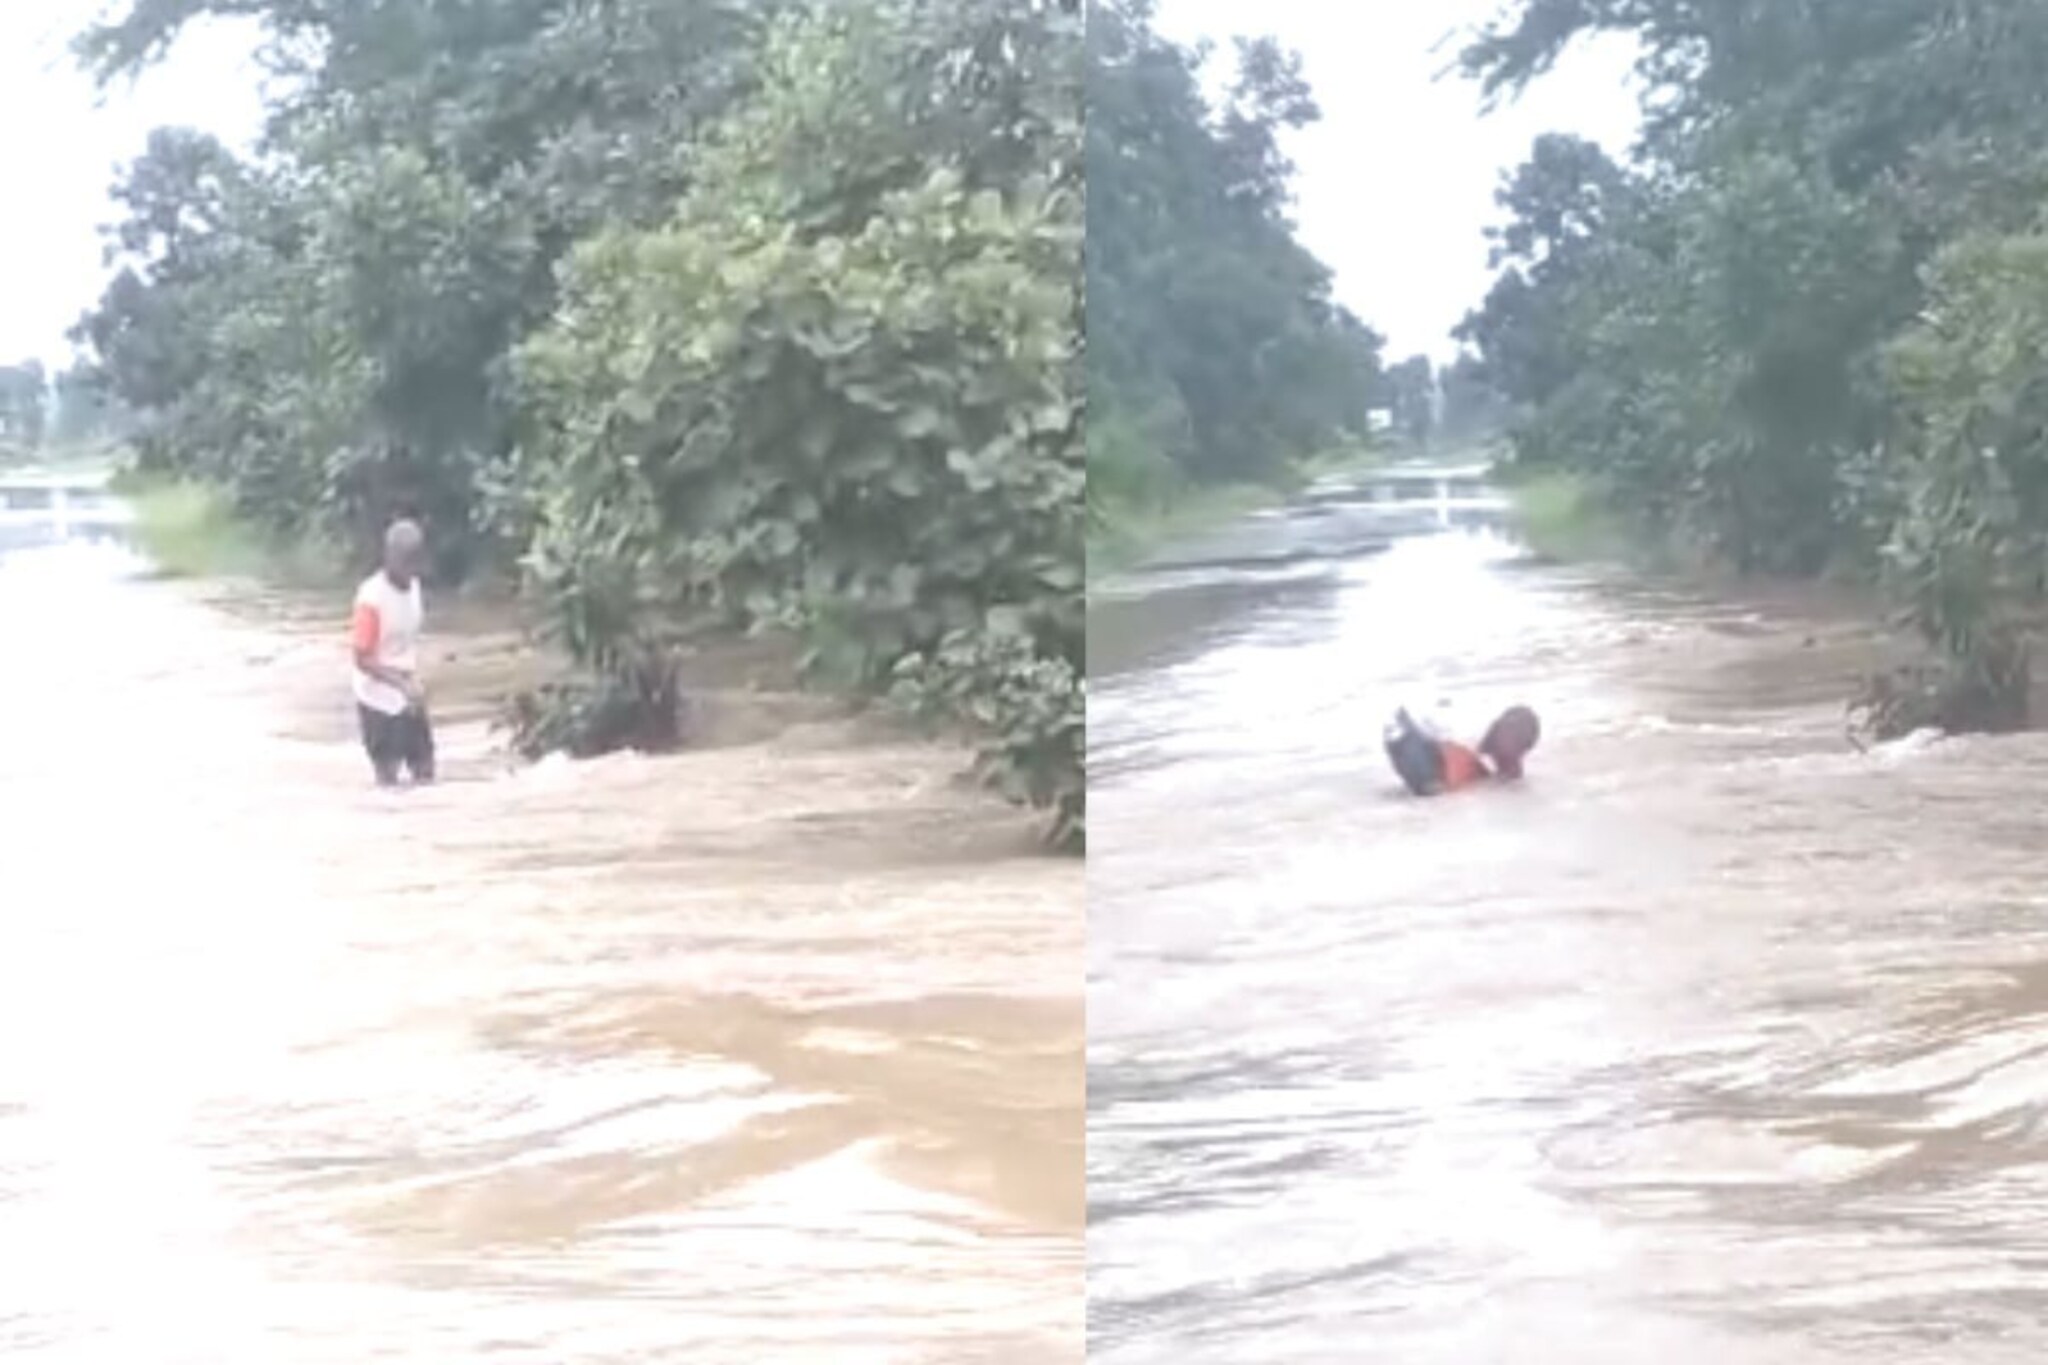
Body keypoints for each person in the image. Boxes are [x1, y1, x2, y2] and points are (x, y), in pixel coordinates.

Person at [350, 518, 435, 787]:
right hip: (376, 701)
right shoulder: (371, 598)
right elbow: (362, 658)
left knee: (425, 772)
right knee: (388, 780)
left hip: (408, 697)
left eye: (413, 560)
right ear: (388, 556)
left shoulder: (415, 589)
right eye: (402, 560)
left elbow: (406, 645)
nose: (407, 568)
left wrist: (411, 683)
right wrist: (399, 683)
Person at [1383, 703, 1540, 796]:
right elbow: (1454, 764)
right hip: (1411, 737)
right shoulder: (1475, 751)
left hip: (1408, 734)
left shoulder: (1488, 750)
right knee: (1432, 790)